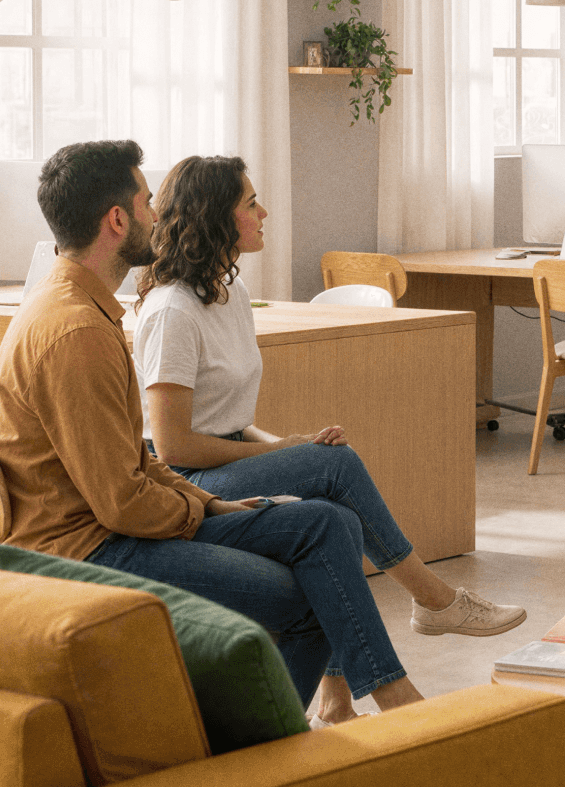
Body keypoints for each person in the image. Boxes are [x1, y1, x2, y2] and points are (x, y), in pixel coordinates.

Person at [0, 141, 422, 720]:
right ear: (116, 220)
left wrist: (211, 504)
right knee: (309, 590)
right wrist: (201, 511)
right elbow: (121, 503)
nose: (157, 216)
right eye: (147, 202)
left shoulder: (82, 307)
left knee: (333, 523)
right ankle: (279, 740)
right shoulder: (75, 331)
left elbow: (137, 459)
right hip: (87, 548)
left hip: (113, 524)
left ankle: (337, 714)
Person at [130, 155, 525, 725]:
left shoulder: (228, 293)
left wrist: (288, 442)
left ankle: (338, 701)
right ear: (215, 218)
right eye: (249, 203)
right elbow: (172, 448)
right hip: (185, 482)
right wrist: (283, 453)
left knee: (332, 498)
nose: (263, 212)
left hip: (219, 458)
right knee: (333, 470)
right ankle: (432, 600)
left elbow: (231, 418)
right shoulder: (172, 310)